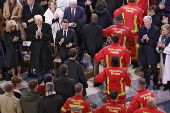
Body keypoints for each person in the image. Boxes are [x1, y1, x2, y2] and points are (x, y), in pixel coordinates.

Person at [114, 0, 143, 68]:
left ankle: (124, 61)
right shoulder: (139, 10)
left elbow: (115, 14)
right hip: (134, 32)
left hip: (124, 31)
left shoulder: (123, 8)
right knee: (134, 47)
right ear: (135, 1)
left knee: (125, 46)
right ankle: (134, 62)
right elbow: (141, 21)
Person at [27, 15, 54, 84]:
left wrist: (41, 35)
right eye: (38, 21)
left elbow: (50, 36)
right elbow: (29, 37)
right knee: (38, 63)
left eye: (40, 20)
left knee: (46, 63)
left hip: (45, 47)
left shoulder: (47, 26)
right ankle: (40, 77)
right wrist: (35, 36)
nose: (40, 22)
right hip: (36, 48)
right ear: (35, 21)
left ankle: (47, 78)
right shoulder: (31, 27)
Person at [138, 16, 160, 90]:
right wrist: (142, 39)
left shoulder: (156, 30)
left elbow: (155, 43)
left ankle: (155, 83)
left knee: (154, 70)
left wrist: (148, 39)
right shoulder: (141, 28)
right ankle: (147, 83)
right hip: (143, 52)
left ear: (151, 21)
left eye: (147, 22)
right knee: (145, 70)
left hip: (152, 53)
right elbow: (139, 41)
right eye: (144, 22)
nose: (145, 24)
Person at [63, 0, 86, 64]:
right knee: (71, 44)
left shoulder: (81, 9)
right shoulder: (66, 10)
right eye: (72, 4)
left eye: (75, 4)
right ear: (69, 4)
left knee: (79, 45)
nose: (73, 6)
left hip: (78, 31)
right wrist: (67, 24)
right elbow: (64, 19)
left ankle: (80, 59)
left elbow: (84, 19)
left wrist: (75, 23)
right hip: (69, 31)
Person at [83, 14, 103, 86]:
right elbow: (99, 41)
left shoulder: (85, 27)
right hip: (96, 49)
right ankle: (96, 81)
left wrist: (86, 48)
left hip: (89, 48)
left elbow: (84, 39)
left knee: (93, 62)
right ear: (97, 19)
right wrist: (99, 51)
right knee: (96, 65)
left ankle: (96, 79)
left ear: (90, 19)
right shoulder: (99, 28)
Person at [158, 24, 170, 91]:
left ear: (168, 30)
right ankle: (166, 84)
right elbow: (159, 44)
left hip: (168, 56)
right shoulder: (161, 36)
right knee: (165, 71)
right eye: (162, 30)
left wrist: (164, 47)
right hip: (163, 55)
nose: (163, 31)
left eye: (164, 30)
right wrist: (159, 46)